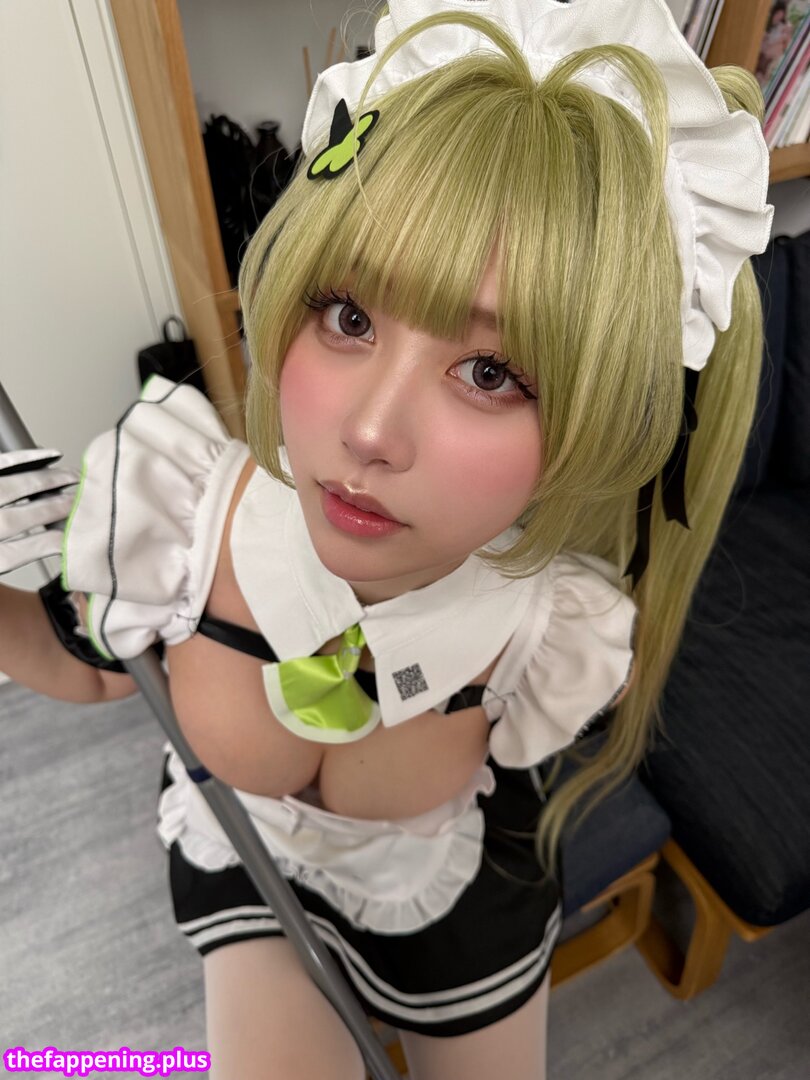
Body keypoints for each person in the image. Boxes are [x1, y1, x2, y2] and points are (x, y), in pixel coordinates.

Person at [0, 1, 773, 1077]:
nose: (369, 430)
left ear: (599, 427)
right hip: (248, 863)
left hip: (452, 907)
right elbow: (94, 669)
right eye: (348, 316)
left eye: (491, 372)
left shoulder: (551, 624)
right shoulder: (178, 521)